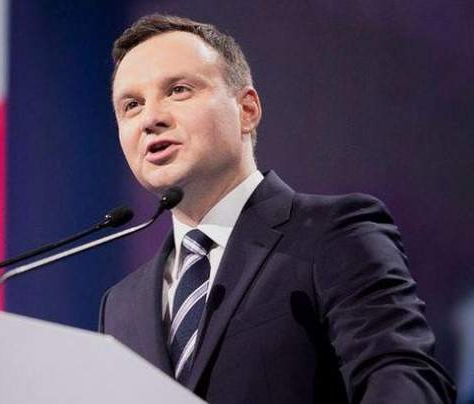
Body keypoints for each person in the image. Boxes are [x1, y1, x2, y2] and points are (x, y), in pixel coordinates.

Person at [98, 14, 456, 403]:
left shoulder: (335, 233)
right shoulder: (121, 306)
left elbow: (401, 378)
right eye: (132, 105)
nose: (151, 119)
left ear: (247, 109)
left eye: (179, 90)